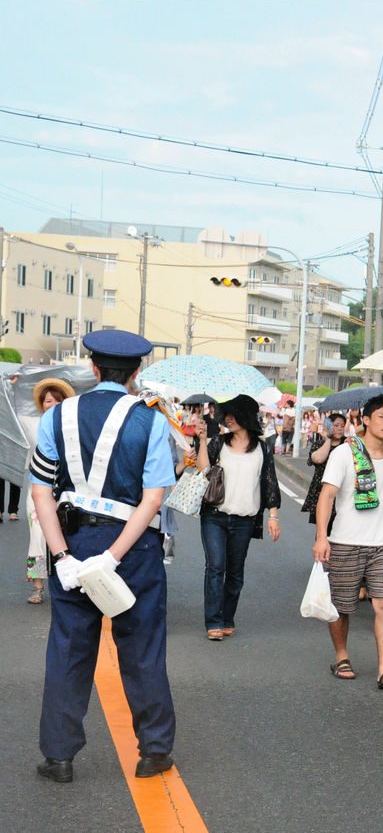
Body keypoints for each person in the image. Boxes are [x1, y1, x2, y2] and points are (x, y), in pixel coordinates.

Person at [29, 330, 177, 782]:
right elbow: (154, 499)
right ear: (135, 373)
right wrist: (112, 557)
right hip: (132, 549)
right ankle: (153, 751)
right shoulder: (151, 420)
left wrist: (62, 557)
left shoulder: (56, 417)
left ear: (93, 368)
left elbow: (40, 493)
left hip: (73, 542)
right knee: (142, 649)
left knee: (69, 649)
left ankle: (59, 757)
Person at [313, 395, 383, 690]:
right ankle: (342, 656)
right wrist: (321, 537)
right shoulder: (344, 453)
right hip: (344, 541)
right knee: (341, 606)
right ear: (365, 420)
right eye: (382, 417)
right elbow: (326, 495)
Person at [195, 395, 282, 640]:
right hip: (214, 516)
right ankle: (213, 621)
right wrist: (202, 441)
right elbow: (204, 471)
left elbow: (269, 483)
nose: (229, 420)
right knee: (215, 567)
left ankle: (227, 617)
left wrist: (273, 516)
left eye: (234, 415)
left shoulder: (262, 448)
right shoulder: (218, 443)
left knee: (234, 572)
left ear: (245, 416)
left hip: (244, 520)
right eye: (226, 415)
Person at [22, 379, 76, 605]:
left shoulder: (72, 425)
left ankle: (67, 580)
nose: (50, 405)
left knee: (65, 532)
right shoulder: (30, 423)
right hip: (38, 486)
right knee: (38, 536)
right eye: (46, 401)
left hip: (65, 486)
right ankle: (37, 586)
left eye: (55, 401)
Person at [301, 413, 347, 525]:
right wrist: (328, 440)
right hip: (322, 491)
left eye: (342, 425)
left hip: (342, 491)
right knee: (323, 529)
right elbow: (318, 459)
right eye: (336, 425)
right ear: (329, 427)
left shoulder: (348, 444)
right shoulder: (319, 444)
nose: (340, 428)